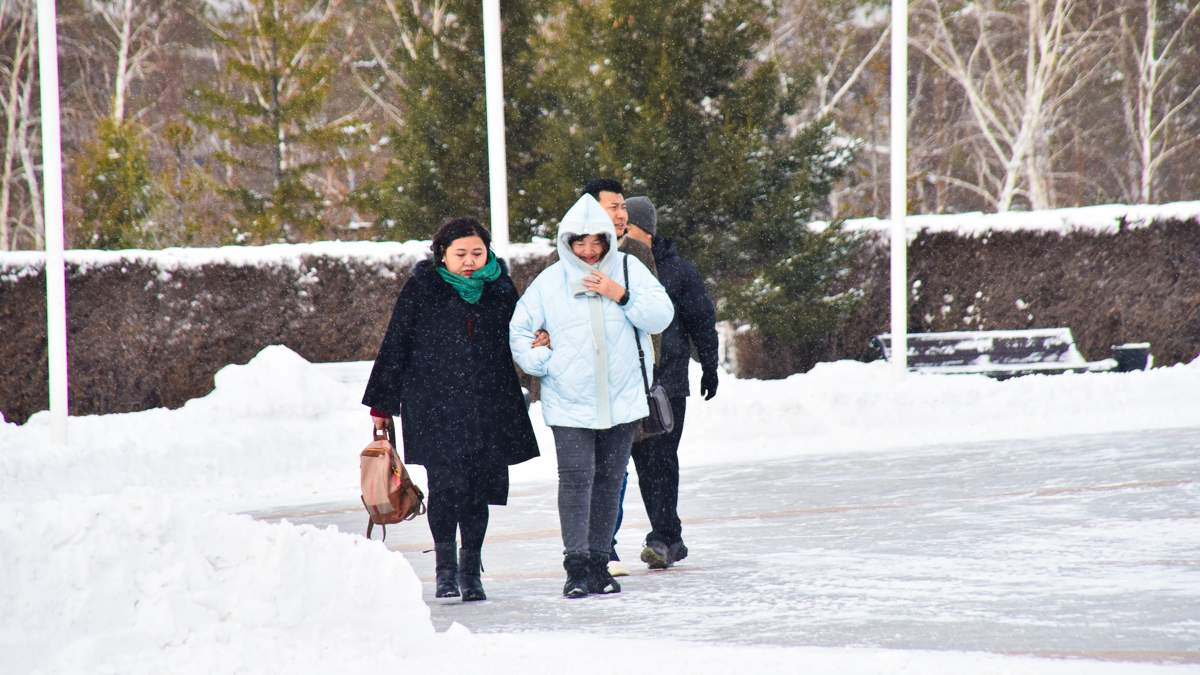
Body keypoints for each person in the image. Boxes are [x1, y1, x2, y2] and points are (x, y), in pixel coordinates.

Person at [363, 217, 539, 603]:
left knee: (478, 489)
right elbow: (396, 344)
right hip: (435, 404)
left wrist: (540, 342)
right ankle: (445, 570)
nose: (470, 261)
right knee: (446, 486)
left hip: (489, 404)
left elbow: (522, 334)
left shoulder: (500, 288)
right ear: (442, 254)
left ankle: (470, 570)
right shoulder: (423, 288)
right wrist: (382, 404)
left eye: (477, 252)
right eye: (461, 254)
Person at [510, 193, 674, 598]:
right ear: (567, 242)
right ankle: (576, 566)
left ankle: (600, 563)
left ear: (607, 239)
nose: (588, 251)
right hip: (569, 402)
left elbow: (661, 316)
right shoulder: (550, 282)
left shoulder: (629, 269)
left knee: (609, 480)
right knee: (575, 481)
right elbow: (520, 335)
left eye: (596, 242)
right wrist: (543, 356)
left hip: (622, 400)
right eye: (579, 242)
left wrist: (620, 293)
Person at [622, 195, 720, 569]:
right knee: (644, 462)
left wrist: (709, 366)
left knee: (661, 458)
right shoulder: (617, 267)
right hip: (630, 382)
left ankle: (664, 537)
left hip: (668, 383)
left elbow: (701, 320)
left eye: (628, 229)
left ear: (644, 231)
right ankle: (668, 534)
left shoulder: (677, 270)